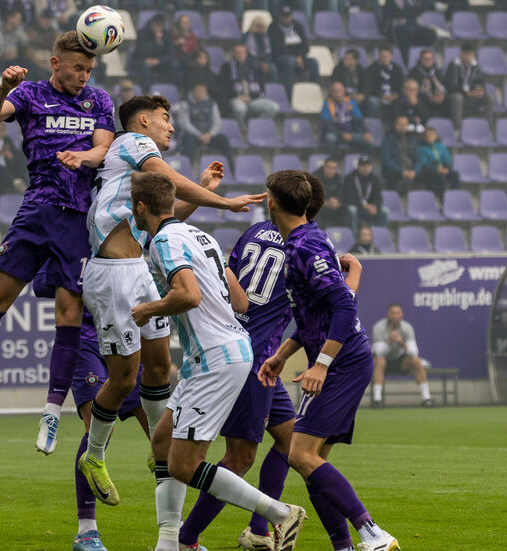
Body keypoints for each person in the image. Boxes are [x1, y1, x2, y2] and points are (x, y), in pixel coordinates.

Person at [0, 32, 115, 453]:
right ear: (55, 63)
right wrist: (1, 88)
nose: (84, 75)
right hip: (37, 211)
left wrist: (81, 157)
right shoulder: (29, 93)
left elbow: (103, 148)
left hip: (79, 220)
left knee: (68, 316)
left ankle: (50, 411)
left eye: (89, 69)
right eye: (77, 68)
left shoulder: (99, 101)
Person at [77, 94, 263, 500]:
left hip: (138, 269)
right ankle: (93, 454)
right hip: (112, 274)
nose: (171, 127)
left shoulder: (134, 169)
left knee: (160, 368)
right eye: (165, 118)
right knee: (124, 378)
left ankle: (159, 451)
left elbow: (164, 218)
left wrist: (202, 190)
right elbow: (171, 179)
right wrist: (223, 201)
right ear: (143, 121)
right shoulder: (131, 142)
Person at [178, 175, 363, 551]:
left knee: (287, 438)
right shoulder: (305, 247)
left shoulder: (255, 232)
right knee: (240, 457)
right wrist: (354, 277)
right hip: (254, 356)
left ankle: (259, 532)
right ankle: (187, 539)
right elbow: (332, 307)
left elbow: (228, 277)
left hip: (255, 354)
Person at [128, 171, 307, 551]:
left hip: (215, 357)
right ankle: (169, 542)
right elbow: (240, 302)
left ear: (141, 208)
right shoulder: (202, 237)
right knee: (162, 441)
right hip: (218, 352)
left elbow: (189, 296)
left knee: (184, 464)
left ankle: (279, 513)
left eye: (133, 207)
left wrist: (150, 309)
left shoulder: (164, 242)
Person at [259, 169, 400, 551]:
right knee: (311, 461)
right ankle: (345, 546)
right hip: (341, 358)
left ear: (272, 203)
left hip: (343, 362)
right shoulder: (306, 240)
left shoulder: (306, 246)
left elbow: (341, 305)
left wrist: (320, 363)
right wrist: (281, 356)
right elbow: (314, 316)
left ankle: (373, 533)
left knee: (301, 454)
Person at [28, 266, 150, 551]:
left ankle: (175, 533)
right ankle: (86, 532)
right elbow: (40, 283)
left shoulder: (129, 231)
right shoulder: (72, 236)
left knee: (161, 432)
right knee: (98, 430)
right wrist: (89, 281)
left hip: (126, 338)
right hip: (84, 340)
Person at [371, 303, 434, 407]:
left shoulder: (407, 328)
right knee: (379, 361)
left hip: (401, 362)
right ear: (388, 315)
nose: (395, 316)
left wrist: (402, 344)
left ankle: (426, 398)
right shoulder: (378, 327)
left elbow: (414, 353)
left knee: (416, 361)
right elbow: (378, 353)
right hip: (384, 362)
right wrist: (389, 343)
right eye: (392, 314)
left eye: (397, 314)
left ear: (401, 315)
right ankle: (377, 400)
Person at [220, 43, 279, 131]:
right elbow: (224, 88)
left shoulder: (254, 67)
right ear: (233, 54)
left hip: (252, 99)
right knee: (240, 109)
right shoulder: (226, 68)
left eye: (242, 52)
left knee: (274, 107)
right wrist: (237, 96)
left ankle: (254, 127)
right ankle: (242, 129)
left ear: (246, 53)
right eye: (237, 53)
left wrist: (252, 97)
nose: (240, 55)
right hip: (236, 98)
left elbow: (261, 88)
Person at [268, 5, 318, 96]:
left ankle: (315, 93)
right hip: (280, 58)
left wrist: (300, 56)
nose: (286, 18)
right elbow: (277, 48)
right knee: (290, 62)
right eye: (284, 16)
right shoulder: (273, 27)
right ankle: (289, 95)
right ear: (280, 16)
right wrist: (295, 57)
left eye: (288, 16)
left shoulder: (298, 26)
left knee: (313, 62)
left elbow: (305, 46)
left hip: (299, 57)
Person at [177, 83, 234, 162]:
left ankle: (231, 170)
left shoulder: (212, 104)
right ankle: (188, 171)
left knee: (224, 140)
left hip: (209, 135)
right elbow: (184, 123)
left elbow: (217, 122)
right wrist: (198, 134)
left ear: (206, 93)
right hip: (193, 135)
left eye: (202, 92)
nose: (200, 94)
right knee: (188, 142)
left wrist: (210, 134)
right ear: (193, 92)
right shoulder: (185, 104)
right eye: (198, 91)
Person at [444, 43, 493, 130]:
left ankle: (486, 127)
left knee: (488, 98)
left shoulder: (476, 66)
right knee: (458, 98)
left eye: (471, 54)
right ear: (462, 54)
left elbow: (481, 82)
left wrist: (480, 91)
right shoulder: (453, 65)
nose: (469, 57)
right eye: (467, 54)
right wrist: (467, 93)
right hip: (456, 96)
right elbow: (451, 87)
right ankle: (458, 129)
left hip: (471, 96)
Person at [320, 82, 374, 154]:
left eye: (340, 91)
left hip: (351, 133)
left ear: (344, 91)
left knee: (369, 141)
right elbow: (327, 125)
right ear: (331, 93)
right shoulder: (327, 105)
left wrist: (366, 132)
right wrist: (342, 134)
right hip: (336, 133)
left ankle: (364, 162)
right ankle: (332, 160)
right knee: (330, 138)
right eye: (335, 91)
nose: (338, 94)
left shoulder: (350, 102)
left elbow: (360, 119)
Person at [342, 156, 387, 233]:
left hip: (370, 207)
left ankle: (379, 234)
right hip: (356, 205)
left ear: (371, 167)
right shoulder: (349, 178)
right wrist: (364, 206)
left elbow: (379, 197)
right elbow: (348, 198)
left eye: (368, 165)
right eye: (363, 166)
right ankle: (354, 234)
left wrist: (375, 206)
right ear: (358, 166)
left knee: (385, 211)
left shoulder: (375, 179)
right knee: (352, 210)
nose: (365, 168)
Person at [129, 15, 174, 91]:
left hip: (158, 62)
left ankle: (170, 89)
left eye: (160, 26)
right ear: (151, 24)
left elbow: (170, 54)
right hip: (142, 61)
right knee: (145, 67)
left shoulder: (166, 35)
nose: (158, 28)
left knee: (174, 65)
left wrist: (159, 61)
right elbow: (141, 52)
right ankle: (146, 91)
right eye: (156, 25)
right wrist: (155, 42)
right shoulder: (142, 33)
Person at [415, 126, 459, 197]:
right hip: (430, 171)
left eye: (432, 135)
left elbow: (448, 160)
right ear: (425, 137)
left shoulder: (441, 147)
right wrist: (436, 169)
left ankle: (455, 197)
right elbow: (424, 163)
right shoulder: (422, 148)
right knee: (439, 177)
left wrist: (447, 169)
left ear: (436, 136)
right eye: (428, 135)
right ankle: (442, 200)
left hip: (442, 168)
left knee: (455, 175)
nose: (430, 137)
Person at [364, 46, 404, 121]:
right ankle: (373, 123)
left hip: (393, 96)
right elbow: (369, 86)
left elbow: (401, 85)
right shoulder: (372, 69)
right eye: (382, 56)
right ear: (379, 56)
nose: (385, 58)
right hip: (378, 96)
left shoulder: (397, 69)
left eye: (387, 56)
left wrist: (395, 95)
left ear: (391, 56)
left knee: (402, 100)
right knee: (373, 101)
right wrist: (380, 95)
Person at [381, 115, 419, 191]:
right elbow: (386, 160)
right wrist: (401, 171)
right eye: (400, 125)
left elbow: (418, 159)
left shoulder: (413, 139)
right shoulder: (388, 139)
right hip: (396, 169)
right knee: (390, 174)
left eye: (405, 125)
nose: (403, 127)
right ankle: (392, 199)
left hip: (410, 169)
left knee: (430, 173)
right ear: (396, 125)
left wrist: (414, 171)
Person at [409, 49, 449, 119]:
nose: (428, 61)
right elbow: (414, 91)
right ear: (421, 60)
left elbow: (444, 85)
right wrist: (430, 98)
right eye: (425, 59)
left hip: (438, 97)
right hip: (424, 98)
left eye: (430, 59)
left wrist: (442, 95)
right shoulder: (414, 72)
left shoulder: (437, 71)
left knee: (452, 99)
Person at [331, 49, 371, 117]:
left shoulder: (362, 71)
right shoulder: (338, 70)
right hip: (343, 96)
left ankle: (369, 121)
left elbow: (367, 86)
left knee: (372, 102)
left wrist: (363, 95)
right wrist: (349, 95)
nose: (345, 61)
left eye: (348, 59)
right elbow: (335, 86)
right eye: (345, 58)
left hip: (358, 97)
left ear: (355, 61)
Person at [242, 16, 278, 84]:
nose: (260, 28)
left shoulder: (266, 37)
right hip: (251, 61)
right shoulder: (246, 37)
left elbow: (269, 53)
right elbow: (245, 53)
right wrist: (259, 63)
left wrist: (266, 63)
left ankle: (273, 88)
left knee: (273, 68)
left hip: (265, 62)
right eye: (258, 26)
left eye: (262, 26)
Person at [313, 157, 346, 228]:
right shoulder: (315, 177)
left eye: (334, 168)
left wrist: (338, 202)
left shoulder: (338, 178)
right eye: (329, 167)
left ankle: (342, 232)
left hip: (334, 205)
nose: (331, 170)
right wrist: (326, 202)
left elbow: (341, 194)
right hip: (321, 205)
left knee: (347, 210)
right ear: (324, 167)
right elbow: (313, 196)